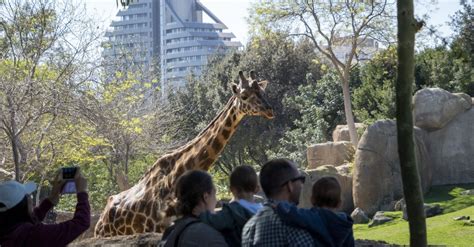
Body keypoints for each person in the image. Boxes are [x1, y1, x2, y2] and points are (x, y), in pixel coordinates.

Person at [0, 167, 90, 247]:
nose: (31, 199)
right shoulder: (33, 236)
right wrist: (82, 192)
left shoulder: (9, 231)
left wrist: (51, 199)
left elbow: (29, 219)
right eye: (28, 196)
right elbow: (81, 222)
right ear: (21, 206)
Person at [241, 158, 314, 246]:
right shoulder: (293, 222)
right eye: (301, 179)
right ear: (290, 185)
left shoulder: (249, 227)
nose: (302, 184)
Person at [275, 176, 355, 247]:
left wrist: (277, 204)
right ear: (339, 203)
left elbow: (291, 213)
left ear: (312, 200)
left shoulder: (314, 217)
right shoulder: (345, 222)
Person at [198, 165, 262, 247]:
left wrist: (200, 213)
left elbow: (211, 221)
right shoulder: (264, 210)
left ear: (232, 189)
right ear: (257, 189)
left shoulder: (231, 212)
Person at [161, 170, 228, 247]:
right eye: (214, 194)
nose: (216, 201)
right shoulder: (210, 236)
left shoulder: (170, 232)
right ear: (205, 197)